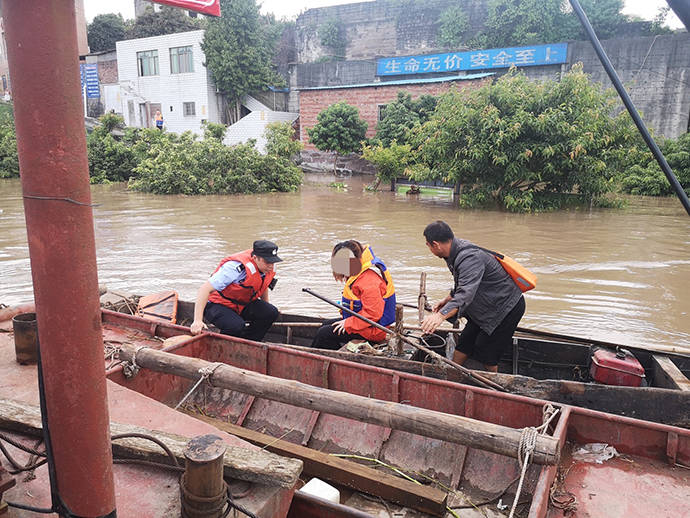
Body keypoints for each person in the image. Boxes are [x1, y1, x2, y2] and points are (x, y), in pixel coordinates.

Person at [420, 221, 525, 372]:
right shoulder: (454, 252)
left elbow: (465, 294)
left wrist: (440, 316)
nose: (429, 249)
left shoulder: (469, 257)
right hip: (485, 305)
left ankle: (492, 388)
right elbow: (463, 284)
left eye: (428, 245)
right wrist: (448, 299)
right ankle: (453, 373)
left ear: (435, 244)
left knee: (488, 353)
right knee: (465, 341)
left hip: (506, 307)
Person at [311, 240, 396, 350]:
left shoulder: (369, 282)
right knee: (326, 324)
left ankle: (328, 357)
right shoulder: (358, 276)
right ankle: (328, 352)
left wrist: (348, 323)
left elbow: (373, 314)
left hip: (374, 330)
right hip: (365, 324)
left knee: (324, 333)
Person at [190, 240, 281, 341]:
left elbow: (263, 284)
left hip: (241, 303)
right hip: (217, 304)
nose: (271, 265)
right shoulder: (234, 268)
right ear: (255, 258)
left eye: (273, 261)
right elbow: (204, 289)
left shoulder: (268, 267)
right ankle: (223, 346)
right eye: (267, 262)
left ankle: (250, 342)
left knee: (271, 312)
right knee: (235, 326)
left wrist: (266, 306)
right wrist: (197, 320)